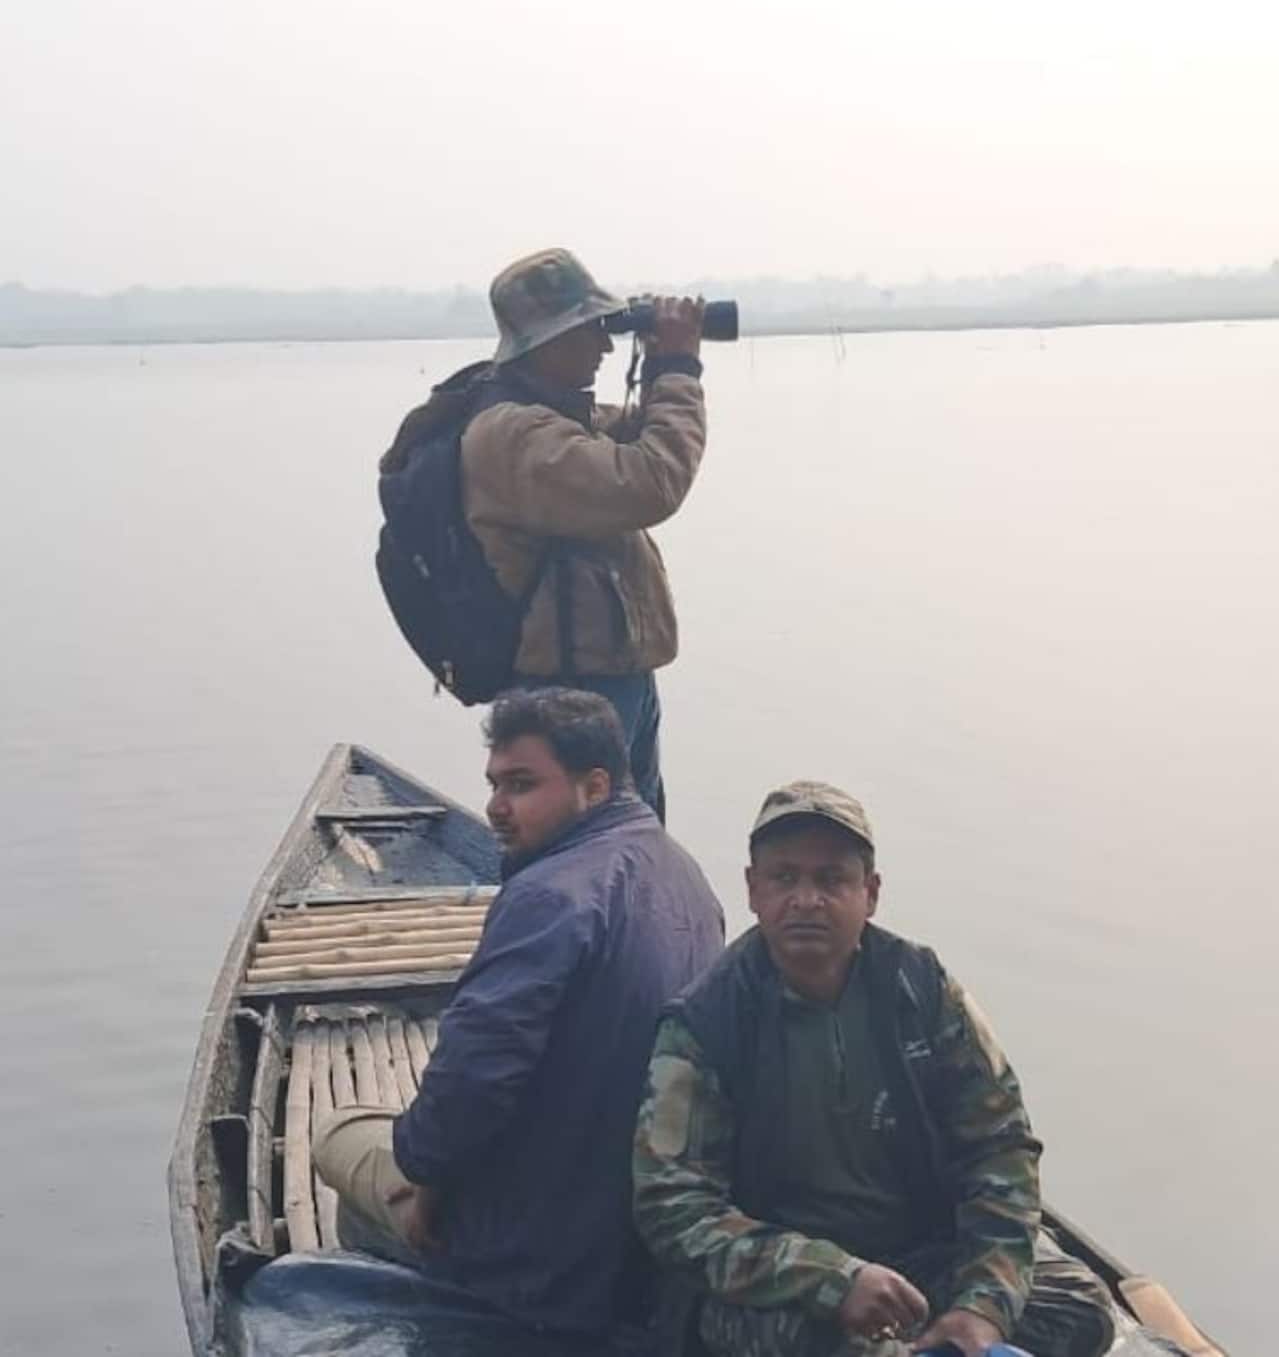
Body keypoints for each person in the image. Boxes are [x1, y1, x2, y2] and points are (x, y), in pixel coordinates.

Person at [632, 781, 1120, 1357]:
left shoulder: (920, 988)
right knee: (807, 1343)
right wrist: (833, 1279)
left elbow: (1000, 1147)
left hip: (917, 1255)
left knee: (1080, 1305)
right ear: (753, 890)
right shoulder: (706, 1023)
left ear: (871, 892)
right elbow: (673, 1208)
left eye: (831, 880)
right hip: (785, 1280)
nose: (807, 900)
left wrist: (983, 1305)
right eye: (785, 878)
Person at [313, 687, 727, 1344]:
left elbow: (468, 1086)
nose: (495, 808)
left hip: (534, 1254)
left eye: (522, 785)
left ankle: (431, 1320)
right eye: (494, 784)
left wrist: (428, 1185)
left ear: (593, 787)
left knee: (339, 1134)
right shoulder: (690, 878)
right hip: (638, 1241)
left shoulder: (547, 896)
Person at [466, 246, 711, 822]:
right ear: (546, 342)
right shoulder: (515, 435)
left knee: (633, 838)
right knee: (580, 844)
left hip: (611, 675)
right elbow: (653, 480)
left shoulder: (549, 418)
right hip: (566, 691)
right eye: (589, 331)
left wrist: (659, 363)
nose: (604, 345)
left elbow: (641, 437)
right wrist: (677, 369)